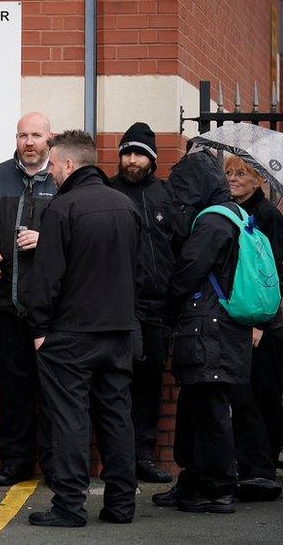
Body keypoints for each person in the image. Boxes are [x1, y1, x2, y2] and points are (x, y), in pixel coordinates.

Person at [26, 130, 141, 527]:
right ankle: (122, 504)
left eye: (54, 164)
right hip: (119, 331)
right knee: (117, 417)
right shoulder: (126, 205)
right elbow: (140, 270)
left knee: (70, 419)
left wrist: (39, 327)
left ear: (70, 164)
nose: (51, 170)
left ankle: (70, 506)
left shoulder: (63, 208)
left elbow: (47, 278)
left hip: (71, 335)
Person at [153, 158, 249, 515]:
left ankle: (218, 488)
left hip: (209, 329)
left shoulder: (212, 222)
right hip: (217, 329)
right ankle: (193, 482)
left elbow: (188, 270)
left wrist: (166, 302)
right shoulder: (234, 214)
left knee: (209, 413)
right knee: (195, 410)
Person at [0, 111, 57, 486]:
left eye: (36, 135)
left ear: (49, 140)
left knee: (54, 387)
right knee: (13, 389)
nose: (28, 142)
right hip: (6, 305)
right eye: (23, 135)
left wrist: (46, 240)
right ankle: (15, 462)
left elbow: (78, 233)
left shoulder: (61, 179)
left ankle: (56, 463)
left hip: (50, 310)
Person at [108, 122, 175, 484]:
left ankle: (142, 456)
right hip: (119, 306)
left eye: (139, 155)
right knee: (116, 385)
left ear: (151, 159)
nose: (132, 161)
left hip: (158, 309)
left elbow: (178, 248)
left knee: (150, 386)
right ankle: (117, 457)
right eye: (127, 153)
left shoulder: (166, 196)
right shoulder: (109, 192)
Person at [223, 156, 283, 502]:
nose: (233, 179)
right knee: (244, 398)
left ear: (259, 179)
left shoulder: (267, 216)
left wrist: (261, 323)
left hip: (263, 325)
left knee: (262, 397)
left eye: (240, 174)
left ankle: (262, 471)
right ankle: (250, 467)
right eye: (229, 173)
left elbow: (270, 272)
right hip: (245, 321)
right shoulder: (237, 213)